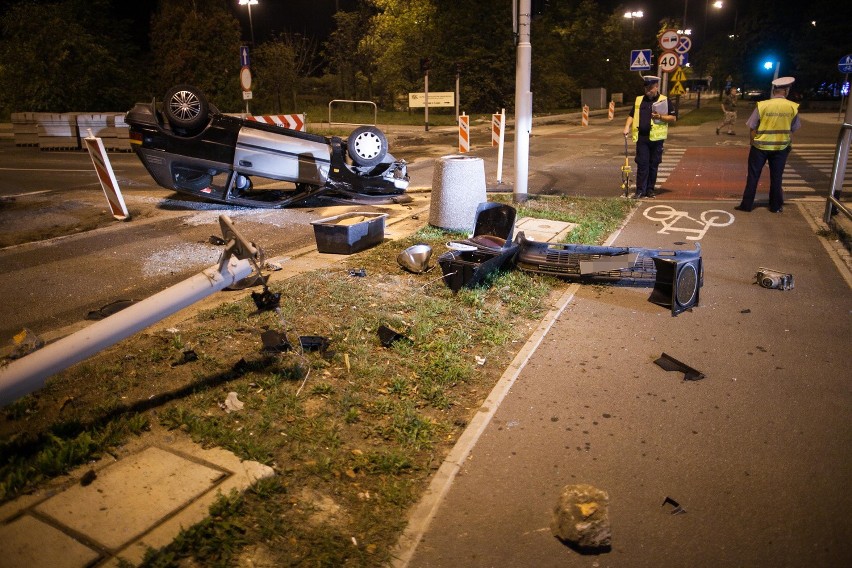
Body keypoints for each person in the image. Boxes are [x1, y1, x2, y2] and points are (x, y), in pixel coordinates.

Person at [735, 76, 801, 213]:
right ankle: (775, 206)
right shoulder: (792, 107)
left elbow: (752, 126)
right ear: (786, 91)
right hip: (781, 147)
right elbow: (793, 128)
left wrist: (752, 142)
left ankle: (746, 205)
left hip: (760, 147)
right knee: (776, 177)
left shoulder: (763, 105)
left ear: (774, 90)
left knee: (753, 176)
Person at [623, 75, 677, 199]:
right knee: (642, 164)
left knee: (653, 164)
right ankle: (640, 190)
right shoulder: (639, 100)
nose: (647, 91)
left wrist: (661, 117)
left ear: (656, 87)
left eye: (650, 88)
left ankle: (650, 190)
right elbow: (631, 115)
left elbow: (673, 118)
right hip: (642, 138)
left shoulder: (664, 100)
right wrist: (626, 127)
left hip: (657, 139)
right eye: (646, 88)